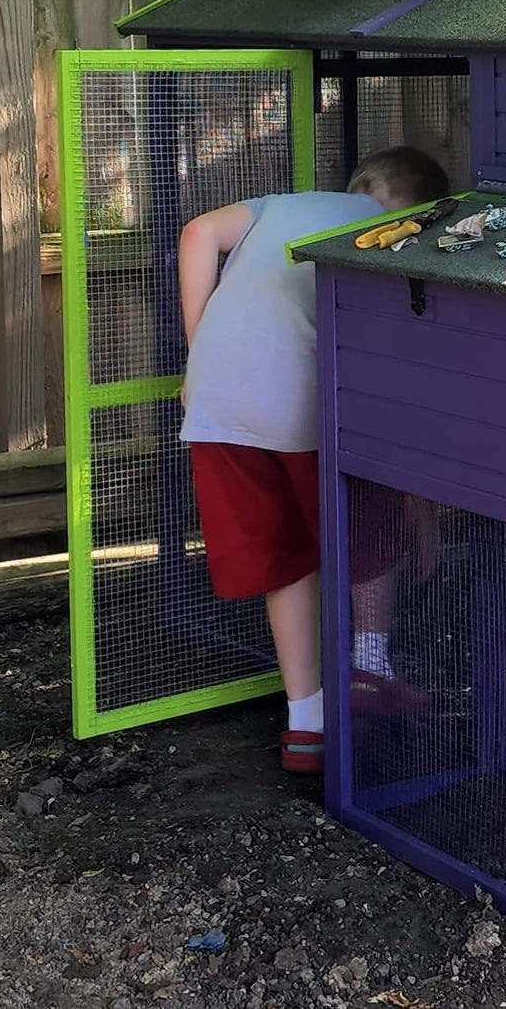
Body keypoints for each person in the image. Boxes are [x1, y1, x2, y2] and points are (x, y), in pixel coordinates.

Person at [178, 146, 450, 774]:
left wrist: (201, 353)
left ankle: (307, 724)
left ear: (361, 183)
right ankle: (371, 669)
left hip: (218, 402)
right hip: (294, 401)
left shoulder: (279, 205)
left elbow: (196, 233)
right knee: (369, 514)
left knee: (286, 558)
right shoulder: (390, 231)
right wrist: (424, 507)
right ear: (417, 208)